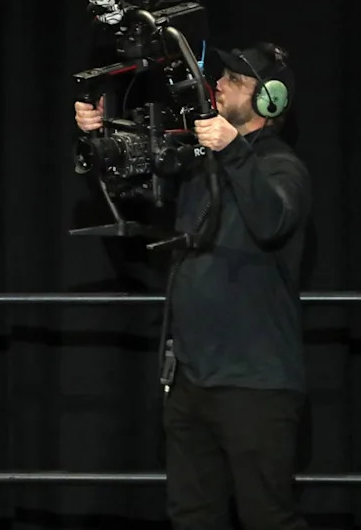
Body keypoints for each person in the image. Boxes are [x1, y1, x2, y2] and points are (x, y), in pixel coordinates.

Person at [74, 41, 311, 529]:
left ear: (269, 102)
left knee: (268, 518)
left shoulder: (282, 167)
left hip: (255, 387)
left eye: (237, 80)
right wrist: (100, 141)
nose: (220, 83)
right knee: (193, 516)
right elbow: (132, 197)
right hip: (191, 383)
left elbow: (272, 220)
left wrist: (233, 152)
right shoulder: (200, 169)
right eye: (221, 74)